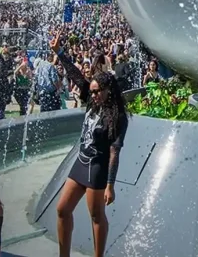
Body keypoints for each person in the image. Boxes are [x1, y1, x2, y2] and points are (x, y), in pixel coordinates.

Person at [50, 32, 129, 257]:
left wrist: (110, 184)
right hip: (80, 163)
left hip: (97, 168)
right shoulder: (92, 103)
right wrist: (60, 52)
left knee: (96, 216)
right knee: (62, 209)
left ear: (108, 90)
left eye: (97, 91)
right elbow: (76, 76)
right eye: (92, 92)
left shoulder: (117, 117)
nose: (93, 95)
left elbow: (114, 152)